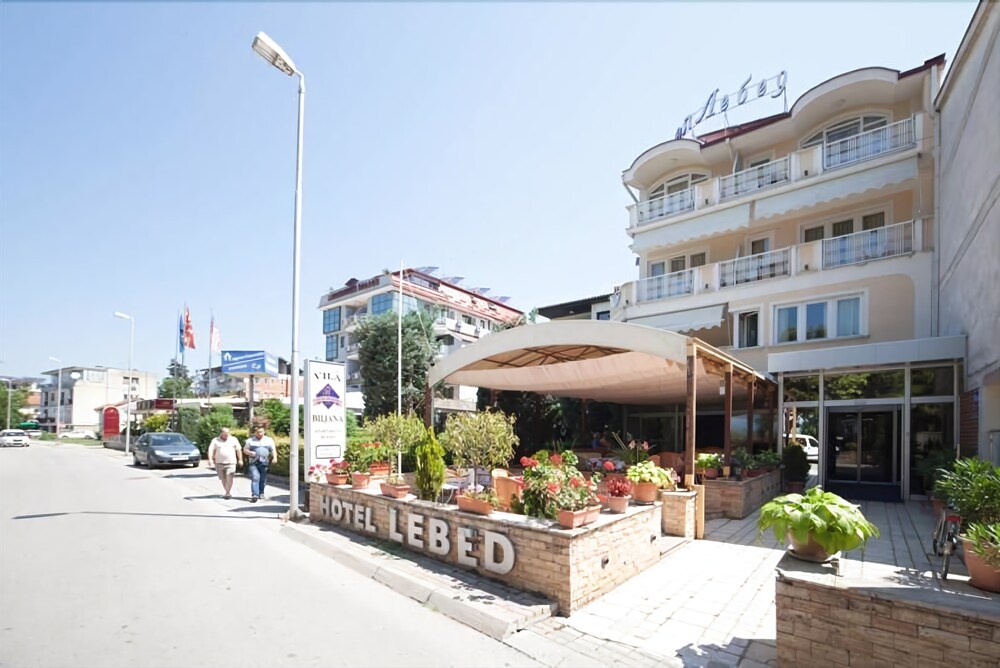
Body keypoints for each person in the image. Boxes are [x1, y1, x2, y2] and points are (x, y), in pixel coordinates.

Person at [207, 427, 243, 500]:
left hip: (231, 462)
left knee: (229, 476)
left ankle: (227, 492)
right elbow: (210, 450)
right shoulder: (215, 440)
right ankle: (227, 491)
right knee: (223, 478)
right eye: (225, 433)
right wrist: (210, 459)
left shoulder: (233, 439)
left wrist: (240, 459)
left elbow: (238, 450)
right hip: (219, 463)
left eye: (228, 433)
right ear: (221, 433)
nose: (227, 435)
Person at [244, 425, 277, 502]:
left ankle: (261, 492)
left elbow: (273, 449)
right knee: (255, 477)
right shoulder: (250, 441)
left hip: (264, 462)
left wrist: (275, 457)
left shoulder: (269, 440)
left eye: (261, 432)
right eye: (258, 432)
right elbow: (245, 450)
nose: (260, 433)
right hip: (253, 462)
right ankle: (255, 494)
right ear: (255, 432)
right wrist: (249, 452)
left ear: (264, 432)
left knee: (263, 478)